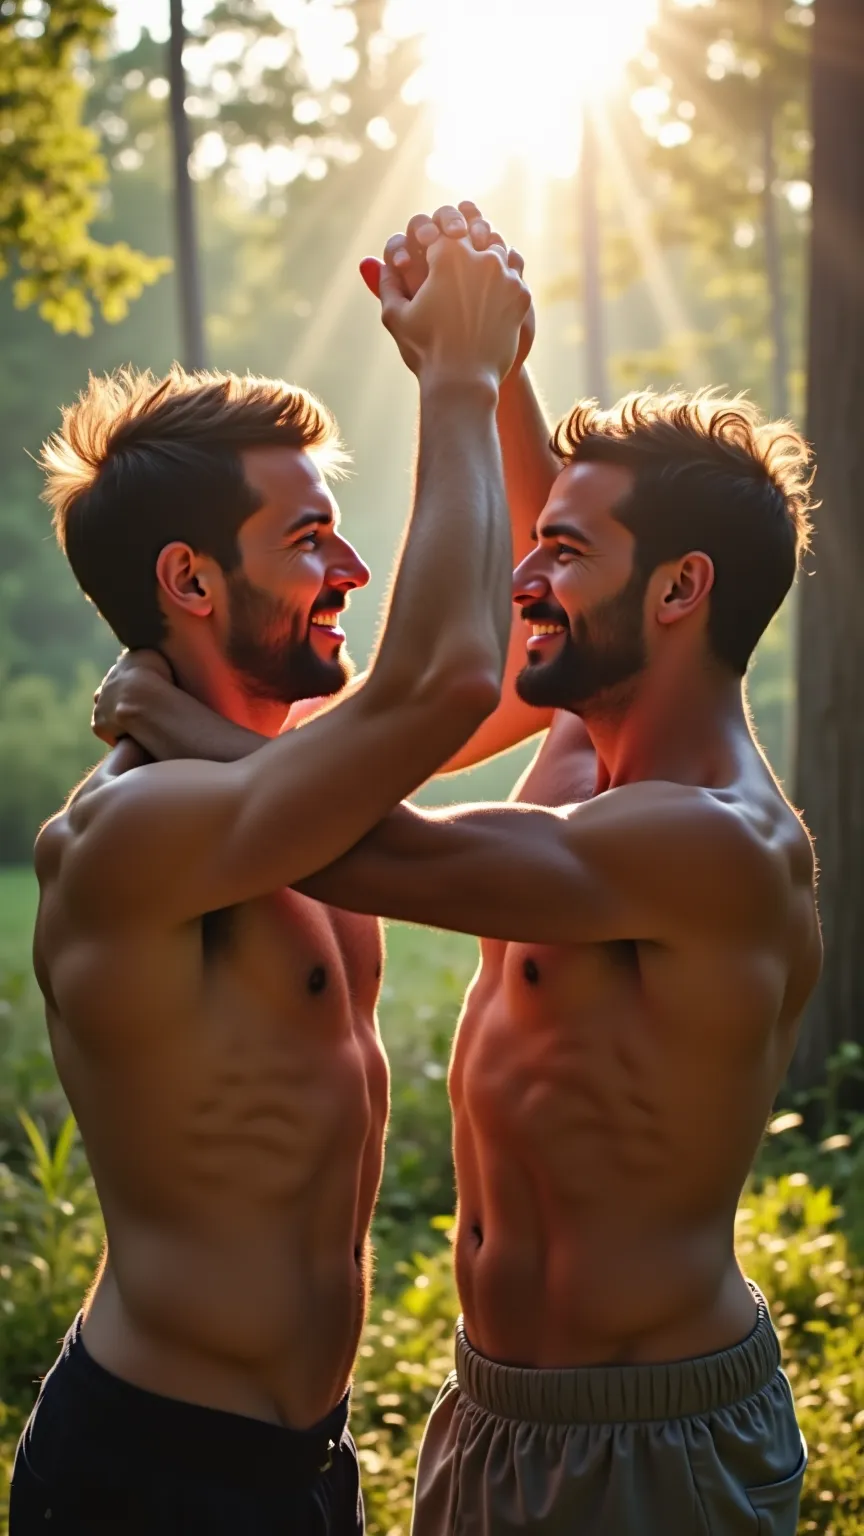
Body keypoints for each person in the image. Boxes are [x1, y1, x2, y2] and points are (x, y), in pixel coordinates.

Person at [85, 205, 822, 1536]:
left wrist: (192, 729)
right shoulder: (576, 754)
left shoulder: (713, 841)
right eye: (538, 547)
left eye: (568, 560)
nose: (527, 577)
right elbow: (514, 599)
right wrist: (502, 347)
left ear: (677, 595)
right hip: (462, 1420)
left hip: (648, 1440)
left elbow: (371, 825)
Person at [9, 231, 531, 1536]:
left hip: (304, 1463)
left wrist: (502, 366)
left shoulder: (296, 767)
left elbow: (518, 653)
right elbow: (450, 677)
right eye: (310, 540)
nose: (349, 572)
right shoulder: (129, 835)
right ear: (188, 579)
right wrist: (450, 384)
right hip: (152, 1474)